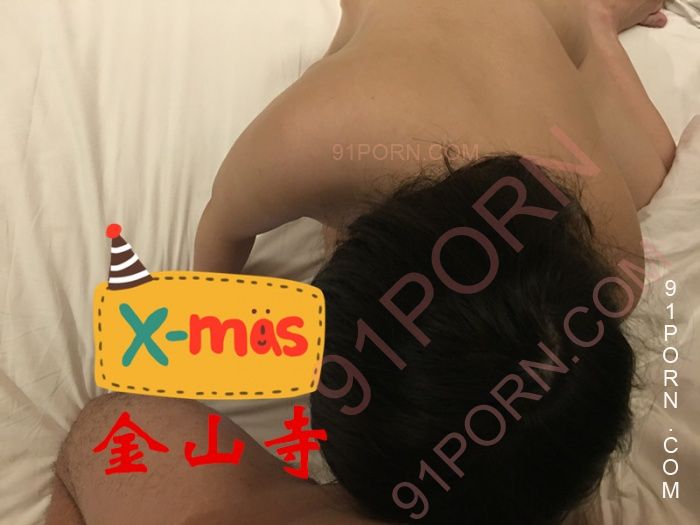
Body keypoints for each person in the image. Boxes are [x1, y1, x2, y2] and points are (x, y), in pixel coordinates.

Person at [48, 1, 675, 523]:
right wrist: (207, 330)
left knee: (652, 163)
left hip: (539, 26)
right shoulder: (318, 135)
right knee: (643, 156)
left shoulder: (614, 261)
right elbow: (222, 223)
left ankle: (593, 18)